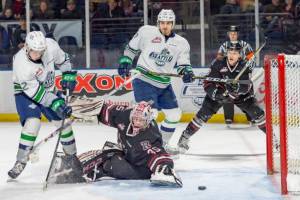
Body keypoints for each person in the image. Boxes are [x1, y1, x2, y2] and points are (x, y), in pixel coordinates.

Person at [52, 101, 182, 187]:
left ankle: (76, 172)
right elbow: (106, 110)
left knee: (110, 161)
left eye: (141, 120)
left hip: (139, 169)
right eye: (135, 119)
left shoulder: (150, 135)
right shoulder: (124, 114)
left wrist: (165, 168)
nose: (137, 122)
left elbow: (158, 154)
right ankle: (73, 166)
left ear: (148, 120)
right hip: (126, 153)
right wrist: (84, 109)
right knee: (105, 153)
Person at [117, 9, 194, 151]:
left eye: (168, 23)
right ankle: (138, 146)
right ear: (158, 23)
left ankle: (160, 145)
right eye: (162, 23)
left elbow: (183, 65)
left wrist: (187, 72)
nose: (165, 26)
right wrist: (125, 61)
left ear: (173, 24)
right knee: (150, 114)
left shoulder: (181, 43)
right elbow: (131, 48)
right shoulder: (146, 32)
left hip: (164, 84)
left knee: (174, 114)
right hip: (143, 80)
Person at [8, 31, 79, 179]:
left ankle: (72, 158)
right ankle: (20, 161)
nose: (39, 55)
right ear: (27, 47)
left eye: (41, 51)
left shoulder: (50, 46)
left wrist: (68, 75)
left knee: (63, 123)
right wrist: (56, 102)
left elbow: (64, 60)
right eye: (35, 52)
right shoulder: (21, 63)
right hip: (26, 94)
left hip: (48, 89)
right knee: (33, 123)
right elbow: (37, 94)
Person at [176, 42, 266, 153]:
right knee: (203, 114)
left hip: (240, 96)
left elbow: (247, 86)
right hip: (220, 92)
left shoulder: (244, 66)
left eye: (235, 53)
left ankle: (274, 140)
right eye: (230, 52)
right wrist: (217, 94)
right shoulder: (218, 64)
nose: (232, 55)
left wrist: (237, 88)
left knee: (258, 113)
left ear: (239, 55)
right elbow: (208, 83)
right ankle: (184, 138)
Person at [217, 25, 254, 126]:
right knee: (228, 94)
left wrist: (248, 67)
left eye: (235, 34)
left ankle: (251, 117)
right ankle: (228, 118)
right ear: (228, 34)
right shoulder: (224, 45)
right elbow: (219, 59)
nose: (233, 35)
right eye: (231, 33)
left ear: (238, 34)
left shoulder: (245, 45)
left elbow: (252, 57)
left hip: (242, 75)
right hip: (228, 75)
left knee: (247, 96)